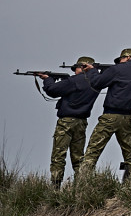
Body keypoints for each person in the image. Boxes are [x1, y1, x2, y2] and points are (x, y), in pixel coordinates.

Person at [79, 48, 131, 174]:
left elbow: (97, 83)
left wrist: (92, 71)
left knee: (92, 152)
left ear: (128, 57)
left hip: (110, 116)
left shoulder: (116, 69)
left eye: (121, 59)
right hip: (128, 118)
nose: (120, 62)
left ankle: (82, 183)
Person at [37, 56, 100, 188]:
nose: (74, 71)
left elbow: (52, 91)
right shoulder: (96, 82)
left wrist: (47, 80)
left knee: (58, 155)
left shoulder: (75, 80)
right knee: (78, 157)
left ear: (83, 67)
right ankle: (82, 186)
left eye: (76, 68)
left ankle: (55, 187)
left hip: (66, 122)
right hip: (82, 122)